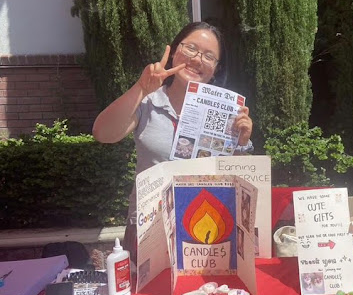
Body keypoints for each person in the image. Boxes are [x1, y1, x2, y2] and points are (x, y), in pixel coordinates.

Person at [92, 21, 254, 257]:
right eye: (190, 49)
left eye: (209, 56)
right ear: (175, 50)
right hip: (148, 227)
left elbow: (240, 180)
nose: (197, 60)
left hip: (207, 229)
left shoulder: (228, 113)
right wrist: (141, 88)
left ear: (216, 69)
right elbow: (103, 134)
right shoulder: (148, 102)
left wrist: (242, 142)